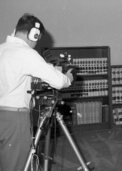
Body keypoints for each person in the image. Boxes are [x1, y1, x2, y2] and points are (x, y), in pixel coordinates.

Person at [0, 13, 74, 171]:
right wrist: (67, 78)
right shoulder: (26, 53)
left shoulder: (2, 49)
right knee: (16, 165)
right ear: (33, 34)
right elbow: (59, 82)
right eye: (37, 38)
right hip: (14, 119)